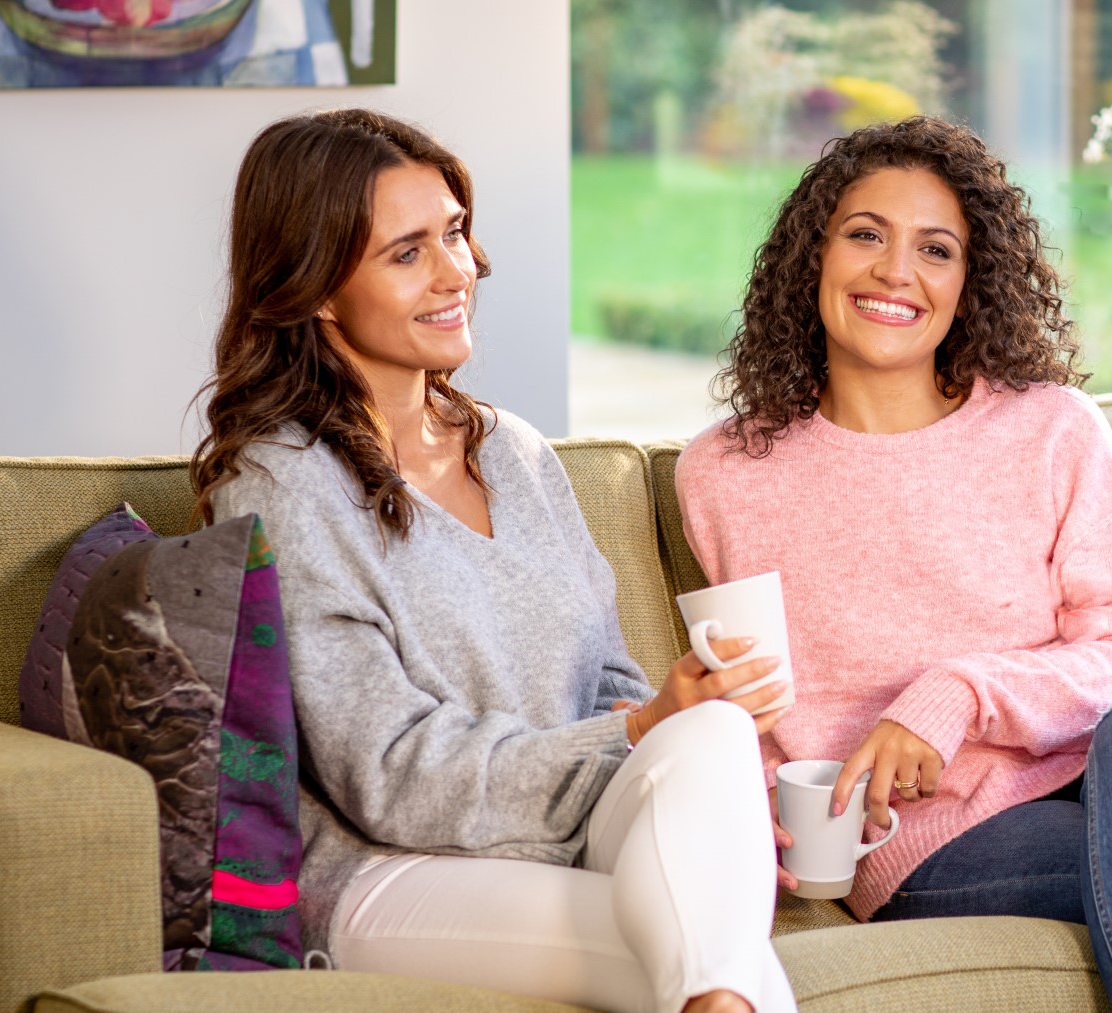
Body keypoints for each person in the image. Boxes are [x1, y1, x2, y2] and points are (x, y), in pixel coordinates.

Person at [675, 116, 1112, 1013]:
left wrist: (955, 697)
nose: (896, 271)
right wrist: (787, 814)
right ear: (812, 255)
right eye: (865, 235)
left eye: (936, 249)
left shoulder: (1050, 427)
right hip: (935, 836)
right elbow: (754, 707)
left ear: (970, 282)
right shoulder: (730, 470)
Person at [191, 108, 795, 1013]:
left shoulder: (511, 450)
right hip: (397, 871)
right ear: (317, 288)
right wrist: (631, 734)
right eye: (407, 253)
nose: (458, 272)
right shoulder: (280, 481)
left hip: (574, 826)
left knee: (710, 734)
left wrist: (664, 716)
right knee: (725, 963)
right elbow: (386, 775)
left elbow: (611, 679)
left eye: (456, 234)